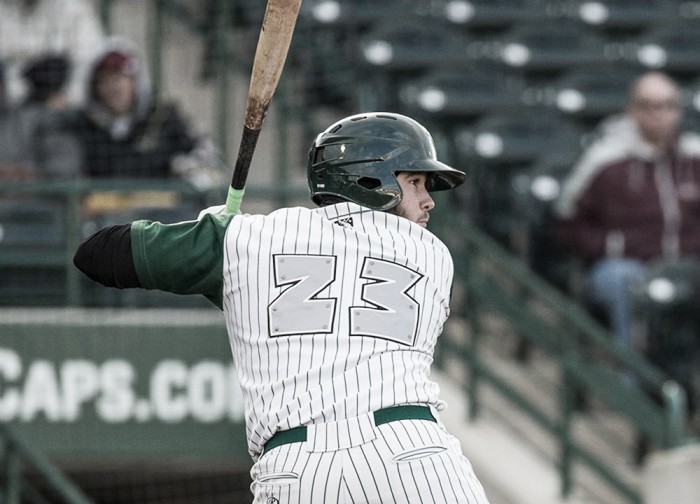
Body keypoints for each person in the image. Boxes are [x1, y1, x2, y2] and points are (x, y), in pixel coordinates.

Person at [73, 112, 491, 504]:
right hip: (410, 455)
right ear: (370, 176)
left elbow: (98, 254)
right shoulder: (433, 255)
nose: (428, 200)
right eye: (415, 181)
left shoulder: (247, 238)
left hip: (293, 469)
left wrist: (213, 233)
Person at [553, 72, 700, 391]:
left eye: (667, 105)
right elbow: (566, 218)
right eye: (649, 105)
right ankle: (634, 390)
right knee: (624, 283)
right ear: (632, 110)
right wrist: (610, 246)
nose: (658, 114)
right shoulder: (606, 159)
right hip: (627, 265)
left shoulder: (694, 156)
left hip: (686, 265)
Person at [69, 37, 226, 191]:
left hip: (164, 214)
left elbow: (209, 161)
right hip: (103, 215)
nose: (114, 87)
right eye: (105, 80)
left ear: (135, 81)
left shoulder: (163, 118)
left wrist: (187, 171)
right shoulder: (83, 126)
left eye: (119, 77)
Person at [0, 0, 105, 106]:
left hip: (67, 106)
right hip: (15, 105)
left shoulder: (74, 9)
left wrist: (67, 98)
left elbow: (89, 60)